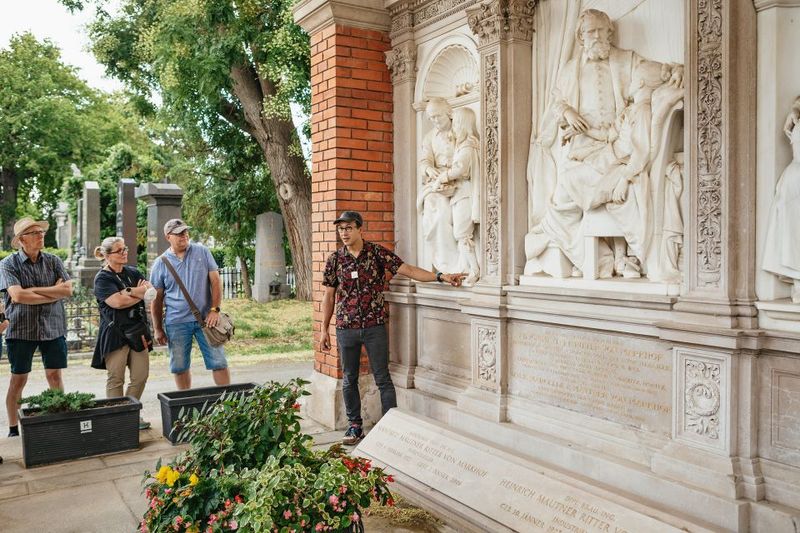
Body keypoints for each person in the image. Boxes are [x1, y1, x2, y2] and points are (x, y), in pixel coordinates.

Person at [531, 8, 683, 277]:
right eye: (591, 31)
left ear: (610, 32)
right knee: (562, 198)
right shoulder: (569, 71)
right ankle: (597, 258)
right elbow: (557, 101)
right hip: (583, 148)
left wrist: (674, 70)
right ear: (581, 37)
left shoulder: (625, 61)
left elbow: (653, 72)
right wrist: (567, 112)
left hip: (617, 144)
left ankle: (624, 258)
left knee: (617, 187)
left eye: (602, 30)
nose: (597, 36)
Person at [320, 211, 465, 445]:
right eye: (340, 229)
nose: (343, 233)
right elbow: (328, 296)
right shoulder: (335, 260)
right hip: (346, 327)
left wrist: (440, 276)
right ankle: (355, 426)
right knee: (349, 378)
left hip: (374, 326)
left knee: (383, 378)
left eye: (348, 228)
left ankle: (390, 425)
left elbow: (408, 270)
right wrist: (324, 329)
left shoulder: (376, 253)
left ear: (359, 229)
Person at [0, 217, 73, 437]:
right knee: (19, 378)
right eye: (34, 233)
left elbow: (68, 290)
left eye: (41, 232)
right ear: (22, 240)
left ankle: (60, 419)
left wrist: (34, 292)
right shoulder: (8, 264)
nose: (41, 235)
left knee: (55, 376)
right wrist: (52, 291)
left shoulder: (53, 260)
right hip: (21, 329)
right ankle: (13, 427)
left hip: (53, 326)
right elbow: (17, 295)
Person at [150, 219, 230, 390]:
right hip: (176, 322)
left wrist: (214, 310)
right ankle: (185, 403)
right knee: (179, 367)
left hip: (206, 320)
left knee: (219, 362)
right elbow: (156, 299)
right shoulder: (160, 263)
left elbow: (215, 282)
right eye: (178, 233)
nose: (184, 235)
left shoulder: (202, 251)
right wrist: (157, 328)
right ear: (168, 237)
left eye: (185, 232)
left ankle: (228, 405)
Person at [92, 237, 154, 429]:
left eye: (125, 248)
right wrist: (139, 292)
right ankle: (116, 419)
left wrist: (128, 291)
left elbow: (152, 293)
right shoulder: (103, 278)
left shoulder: (133, 272)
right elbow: (116, 303)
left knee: (140, 376)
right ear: (107, 255)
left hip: (137, 331)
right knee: (116, 378)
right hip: (115, 333)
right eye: (119, 250)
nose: (124, 252)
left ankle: (129, 412)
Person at [436, 106, 481, 285]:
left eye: (455, 123)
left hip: (465, 196)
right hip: (460, 195)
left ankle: (475, 271)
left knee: (462, 234)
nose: (453, 127)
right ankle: (468, 268)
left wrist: (443, 176)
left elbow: (460, 169)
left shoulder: (468, 146)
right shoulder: (463, 145)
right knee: (461, 234)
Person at [763, 96, 800, 303]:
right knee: (793, 232)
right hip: (795, 180)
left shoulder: (795, 117)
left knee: (793, 232)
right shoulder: (796, 117)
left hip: (793, 177)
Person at [417, 97, 460, 273]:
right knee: (435, 211)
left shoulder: (459, 130)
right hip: (436, 183)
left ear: (448, 113)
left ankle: (456, 264)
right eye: (431, 118)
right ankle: (443, 264)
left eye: (438, 116)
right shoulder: (430, 137)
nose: (435, 121)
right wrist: (429, 169)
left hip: (458, 180)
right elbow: (424, 160)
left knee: (448, 214)